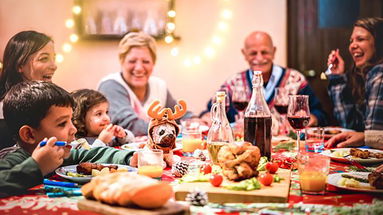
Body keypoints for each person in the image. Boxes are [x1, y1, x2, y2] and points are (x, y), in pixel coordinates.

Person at [0, 81, 135, 197]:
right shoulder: (15, 159)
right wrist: (38, 166)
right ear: (29, 135)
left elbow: (94, 154)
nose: (74, 130)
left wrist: (130, 157)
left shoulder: (61, 154)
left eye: (71, 120)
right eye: (62, 123)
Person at [201, 31, 327, 128]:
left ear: (274, 51)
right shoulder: (233, 83)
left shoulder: (296, 80)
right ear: (244, 54)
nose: (260, 58)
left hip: (287, 150)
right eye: (253, 53)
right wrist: (206, 117)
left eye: (265, 52)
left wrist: (311, 118)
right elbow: (211, 111)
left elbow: (320, 114)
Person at [98, 32, 193, 136]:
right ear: (122, 62)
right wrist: (172, 128)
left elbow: (178, 113)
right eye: (132, 61)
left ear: (153, 63)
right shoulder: (110, 86)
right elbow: (131, 126)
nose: (139, 68)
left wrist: (195, 120)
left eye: (146, 61)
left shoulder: (159, 85)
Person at [0, 30, 57, 149]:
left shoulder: (50, 102)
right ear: (19, 65)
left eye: (53, 58)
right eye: (44, 58)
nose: (54, 66)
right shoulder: (4, 115)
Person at [326, 17, 383, 131]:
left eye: (360, 39)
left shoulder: (379, 74)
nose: (352, 46)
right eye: (351, 41)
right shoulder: (364, 75)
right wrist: (337, 78)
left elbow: (372, 137)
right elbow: (350, 126)